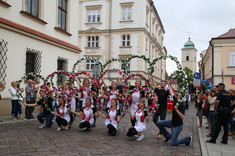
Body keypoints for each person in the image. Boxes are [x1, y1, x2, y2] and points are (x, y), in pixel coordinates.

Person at [156, 81, 192, 146]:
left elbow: (183, 117)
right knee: (158, 123)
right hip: (172, 122)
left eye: (178, 94)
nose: (176, 95)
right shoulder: (175, 99)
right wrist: (169, 84)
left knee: (173, 143)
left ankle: (187, 139)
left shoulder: (181, 105)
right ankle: (167, 135)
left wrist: (176, 109)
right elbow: (171, 92)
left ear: (181, 96)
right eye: (176, 94)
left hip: (177, 126)